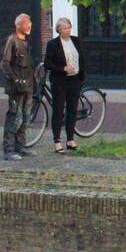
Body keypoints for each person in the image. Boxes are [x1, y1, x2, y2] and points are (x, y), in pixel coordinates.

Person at [44, 18, 87, 154]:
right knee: (58, 110)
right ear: (58, 30)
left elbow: (82, 58)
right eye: (64, 28)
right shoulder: (53, 44)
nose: (67, 30)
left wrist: (82, 74)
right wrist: (63, 68)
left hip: (75, 80)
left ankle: (70, 139)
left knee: (72, 110)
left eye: (69, 27)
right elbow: (48, 64)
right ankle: (57, 141)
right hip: (60, 81)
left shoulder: (76, 40)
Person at [0, 13, 35, 161]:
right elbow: (4, 63)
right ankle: (9, 150)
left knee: (26, 117)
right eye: (27, 24)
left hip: (28, 86)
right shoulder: (11, 40)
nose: (29, 27)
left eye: (30, 24)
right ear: (18, 25)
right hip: (15, 89)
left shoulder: (26, 42)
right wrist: (15, 79)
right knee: (15, 116)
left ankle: (21, 146)